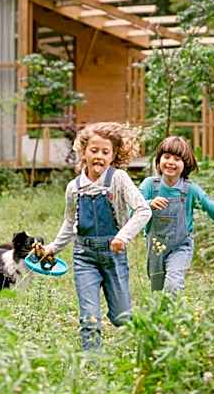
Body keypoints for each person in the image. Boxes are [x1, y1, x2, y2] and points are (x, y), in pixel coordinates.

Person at [41, 122, 151, 350]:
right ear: (83, 152)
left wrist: (123, 237)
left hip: (113, 255)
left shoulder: (118, 179)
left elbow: (143, 210)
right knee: (89, 318)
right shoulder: (74, 187)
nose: (99, 156)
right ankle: (92, 364)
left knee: (122, 317)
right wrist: (52, 248)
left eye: (105, 152)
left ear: (113, 155)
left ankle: (146, 341)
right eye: (94, 150)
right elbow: (71, 223)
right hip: (85, 256)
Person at [140, 135, 214, 293]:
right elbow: (133, 208)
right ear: (159, 160)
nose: (170, 162)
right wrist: (148, 204)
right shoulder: (150, 185)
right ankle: (162, 317)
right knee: (157, 288)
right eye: (166, 157)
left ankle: (174, 314)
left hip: (180, 246)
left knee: (173, 284)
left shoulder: (190, 190)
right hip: (155, 246)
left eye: (177, 159)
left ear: (185, 164)